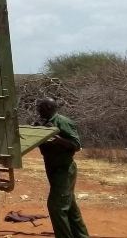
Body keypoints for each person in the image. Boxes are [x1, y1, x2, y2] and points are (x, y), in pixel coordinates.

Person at [35, 97, 89, 238]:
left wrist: (57, 139)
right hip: (53, 168)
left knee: (56, 206)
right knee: (70, 208)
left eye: (40, 107)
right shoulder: (45, 122)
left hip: (64, 169)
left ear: (48, 108)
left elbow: (76, 145)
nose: (38, 110)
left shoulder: (63, 122)